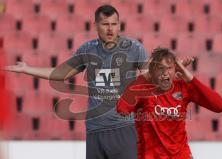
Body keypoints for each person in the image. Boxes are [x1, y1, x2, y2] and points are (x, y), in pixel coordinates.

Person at [4, 4, 148, 159]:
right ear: (96, 26)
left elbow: (149, 76)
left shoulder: (134, 48)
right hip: (95, 129)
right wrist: (27, 69)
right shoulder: (88, 49)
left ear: (119, 25)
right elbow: (61, 73)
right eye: (105, 24)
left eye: (114, 24)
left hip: (124, 128)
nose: (110, 29)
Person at [117, 47, 222, 159]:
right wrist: (144, 77)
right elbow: (122, 109)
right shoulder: (142, 89)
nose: (165, 73)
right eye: (160, 68)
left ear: (176, 69)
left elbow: (219, 106)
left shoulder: (183, 87)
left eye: (169, 68)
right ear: (152, 71)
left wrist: (190, 78)